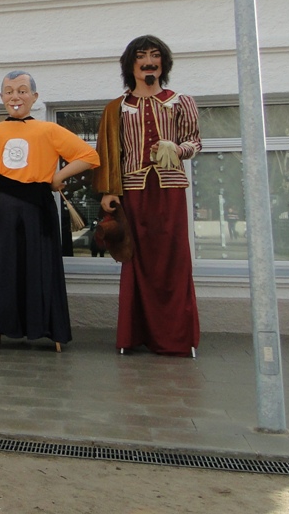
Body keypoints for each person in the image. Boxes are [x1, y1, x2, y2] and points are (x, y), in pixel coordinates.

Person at [0, 71, 99, 350]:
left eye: (21, 90)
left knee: (43, 264)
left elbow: (89, 156)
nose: (15, 96)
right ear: (1, 97)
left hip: (39, 204)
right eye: (8, 91)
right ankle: (5, 326)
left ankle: (47, 326)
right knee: (6, 266)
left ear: (34, 97)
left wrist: (58, 177)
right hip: (5, 203)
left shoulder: (48, 130)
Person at [95, 35, 201, 357]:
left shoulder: (181, 101)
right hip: (133, 192)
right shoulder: (117, 108)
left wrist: (177, 149)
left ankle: (176, 338)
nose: (149, 61)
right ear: (132, 65)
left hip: (169, 190)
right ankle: (134, 335)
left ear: (163, 64)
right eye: (142, 56)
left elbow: (195, 141)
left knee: (174, 260)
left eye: (155, 55)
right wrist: (108, 192)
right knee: (136, 260)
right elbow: (109, 153)